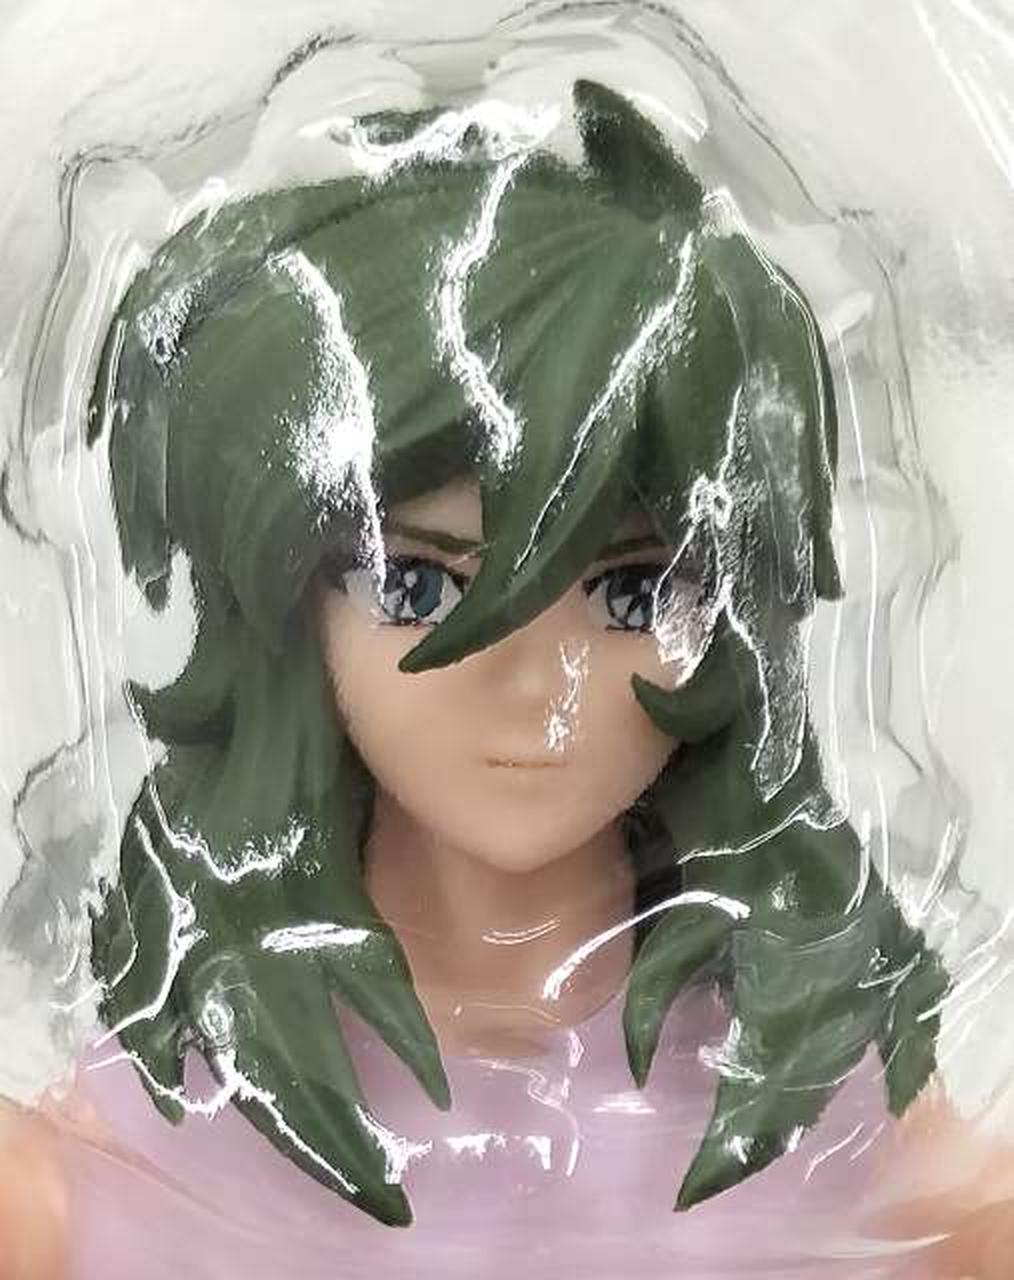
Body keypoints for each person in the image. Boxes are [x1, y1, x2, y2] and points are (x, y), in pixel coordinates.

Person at [3, 80, 1007, 1279]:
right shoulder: (120, 1134)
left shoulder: (843, 1115)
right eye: (416, 586)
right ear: (287, 600)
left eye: (633, 595)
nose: (540, 687)